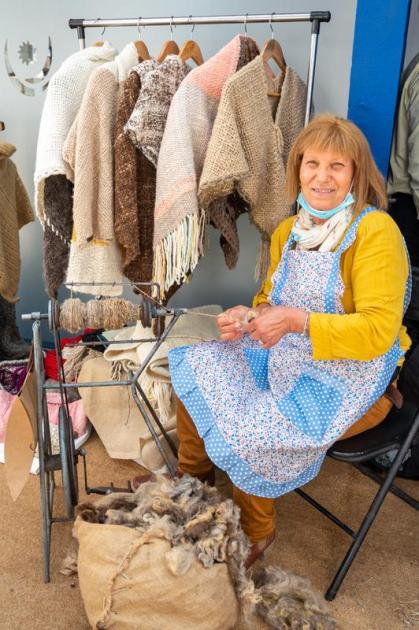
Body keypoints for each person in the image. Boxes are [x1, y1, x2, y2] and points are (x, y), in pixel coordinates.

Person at [168, 114, 411, 566]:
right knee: (197, 361)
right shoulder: (289, 231)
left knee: (254, 425)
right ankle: (193, 483)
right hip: (288, 353)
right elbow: (269, 299)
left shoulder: (375, 232)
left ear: (356, 173)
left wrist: (296, 322)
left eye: (337, 166)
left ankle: (258, 529)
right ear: (297, 169)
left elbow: (378, 333)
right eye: (311, 163)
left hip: (352, 377)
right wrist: (250, 315)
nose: (321, 176)